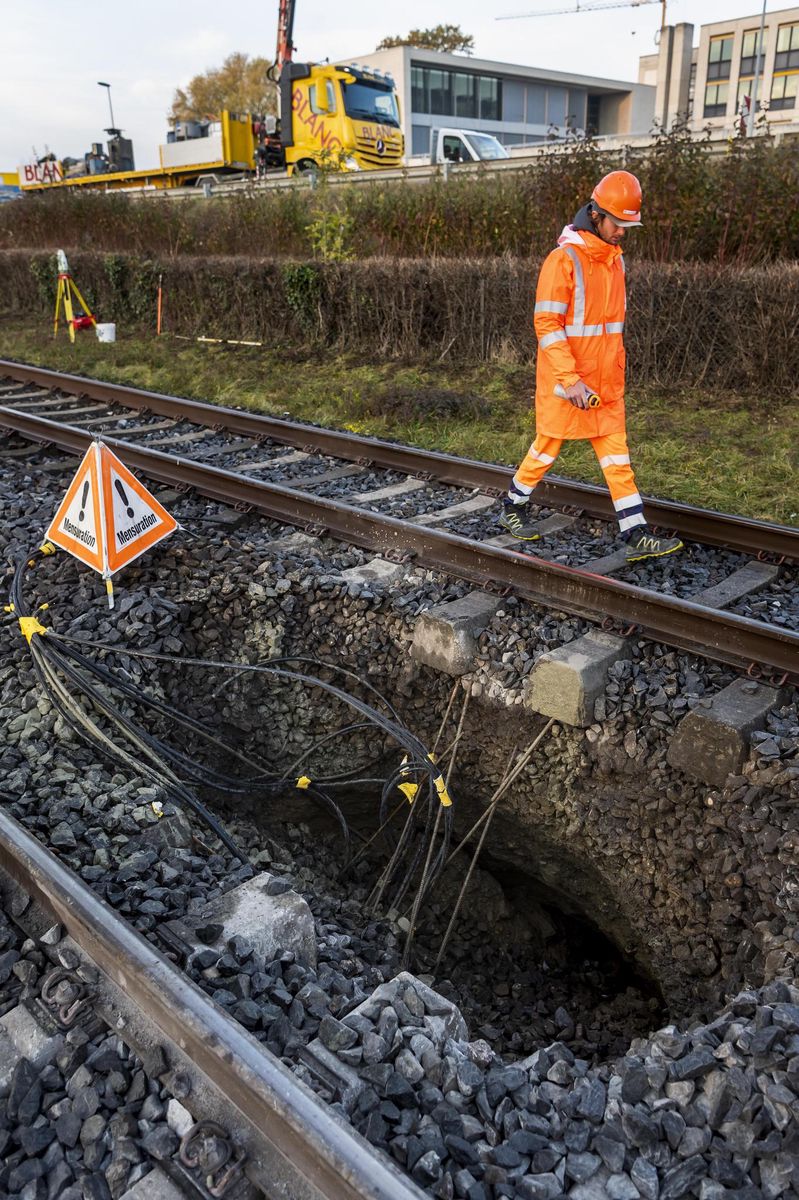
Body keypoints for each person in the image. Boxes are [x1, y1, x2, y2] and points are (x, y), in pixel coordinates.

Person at [499, 170, 683, 563]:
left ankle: (636, 533)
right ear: (597, 215)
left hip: (605, 381)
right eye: (619, 223)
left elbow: (608, 328)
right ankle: (512, 506)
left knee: (618, 457)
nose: (623, 232)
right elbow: (546, 325)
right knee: (546, 447)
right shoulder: (563, 259)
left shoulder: (614, 262)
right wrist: (571, 380)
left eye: (628, 225)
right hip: (569, 382)